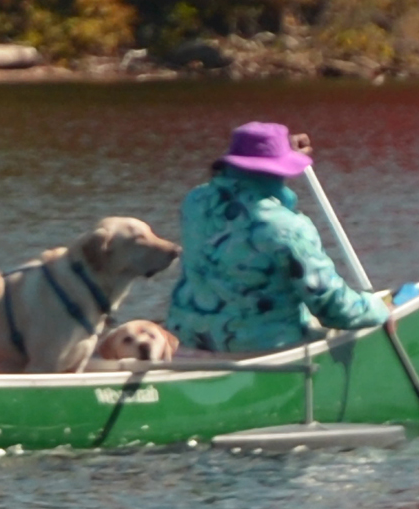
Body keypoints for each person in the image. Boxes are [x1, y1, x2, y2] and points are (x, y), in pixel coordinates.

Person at [162, 119, 390, 354]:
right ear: (281, 170)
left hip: (190, 341)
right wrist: (379, 309)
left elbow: (225, 187)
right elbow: (333, 309)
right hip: (263, 347)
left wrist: (282, 149)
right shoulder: (287, 227)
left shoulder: (195, 202)